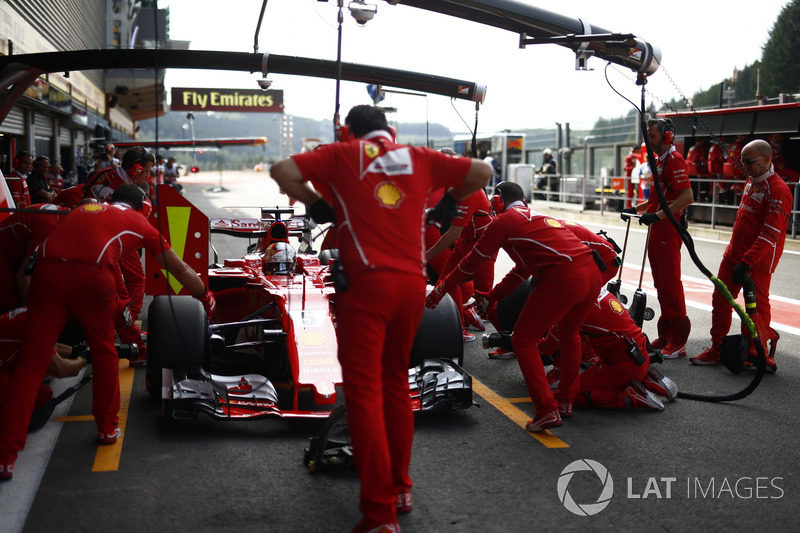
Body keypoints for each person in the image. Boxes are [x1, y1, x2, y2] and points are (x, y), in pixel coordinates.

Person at [269, 104, 491, 533]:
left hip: (365, 285)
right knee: (394, 384)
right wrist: (448, 202)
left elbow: (282, 170)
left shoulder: (341, 153)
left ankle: (379, 514)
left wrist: (317, 204)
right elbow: (481, 172)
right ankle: (401, 487)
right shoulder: (418, 156)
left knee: (365, 393)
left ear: (349, 131)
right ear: (388, 130)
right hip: (411, 284)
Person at [0, 184, 216, 481]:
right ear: (143, 207)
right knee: (104, 352)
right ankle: (107, 427)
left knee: (31, 364)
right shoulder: (140, 223)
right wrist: (206, 297)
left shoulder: (81, 209)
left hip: (46, 274)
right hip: (91, 276)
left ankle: (5, 457)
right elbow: (180, 271)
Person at [427, 181, 605, 433]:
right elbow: (521, 269)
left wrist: (442, 287)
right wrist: (494, 295)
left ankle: (546, 409)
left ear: (499, 199)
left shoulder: (504, 221)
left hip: (563, 277)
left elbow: (472, 261)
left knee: (522, 340)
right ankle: (565, 401)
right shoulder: (536, 216)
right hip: (592, 274)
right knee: (570, 336)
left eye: (492, 201)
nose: (490, 206)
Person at [690, 139, 793, 371]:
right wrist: (735, 256)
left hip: (757, 262)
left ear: (767, 160)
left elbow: (769, 235)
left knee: (755, 309)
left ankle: (759, 353)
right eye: (742, 161)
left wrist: (747, 261)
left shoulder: (779, 190)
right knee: (720, 301)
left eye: (749, 162)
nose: (744, 166)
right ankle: (717, 349)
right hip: (734, 254)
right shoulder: (752, 180)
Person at [620, 118, 693, 360]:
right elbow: (657, 200)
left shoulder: (674, 160)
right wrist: (636, 209)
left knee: (671, 285)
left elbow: (686, 197)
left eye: (652, 136)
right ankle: (666, 334)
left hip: (669, 229)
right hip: (658, 228)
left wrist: (658, 216)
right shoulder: (659, 162)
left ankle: (679, 341)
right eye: (647, 136)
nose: (648, 141)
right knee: (661, 285)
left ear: (667, 137)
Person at [538, 289, 675, 410]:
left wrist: (522, 342)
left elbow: (547, 347)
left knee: (566, 395)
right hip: (639, 353)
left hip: (622, 365)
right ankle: (646, 378)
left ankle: (631, 397)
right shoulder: (594, 286)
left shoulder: (571, 309)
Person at [426, 171, 495, 343]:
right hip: (464, 241)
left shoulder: (466, 191)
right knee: (445, 281)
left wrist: (424, 256)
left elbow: (453, 233)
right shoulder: (450, 188)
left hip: (483, 244)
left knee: (484, 296)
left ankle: (509, 337)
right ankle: (457, 321)